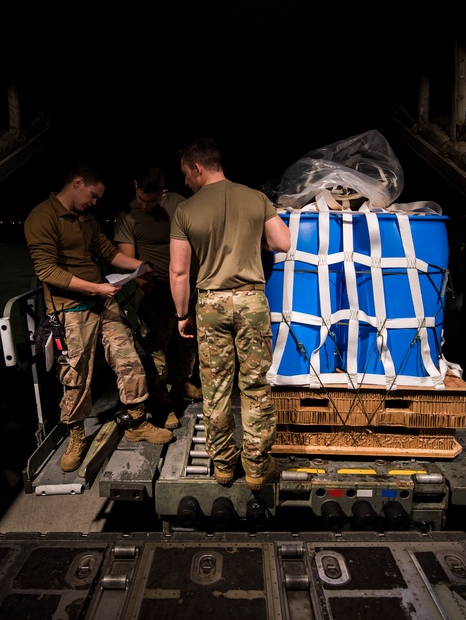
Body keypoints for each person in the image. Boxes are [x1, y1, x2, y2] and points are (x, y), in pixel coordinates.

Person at [24, 164, 174, 473]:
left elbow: (109, 253)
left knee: (129, 359)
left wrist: (143, 267)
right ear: (77, 183)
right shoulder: (42, 218)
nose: (95, 202)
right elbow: (47, 271)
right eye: (93, 195)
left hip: (103, 302)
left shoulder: (87, 219)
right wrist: (96, 287)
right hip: (69, 310)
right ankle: (77, 437)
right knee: (75, 376)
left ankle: (136, 421)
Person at [168, 138, 291, 491]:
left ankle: (224, 464)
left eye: (185, 174)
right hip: (252, 302)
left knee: (216, 388)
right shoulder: (255, 197)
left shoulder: (186, 211)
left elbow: (178, 273)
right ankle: (255, 467)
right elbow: (283, 242)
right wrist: (256, 239)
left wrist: (181, 314)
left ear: (198, 168)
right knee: (255, 386)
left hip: (210, 304)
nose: (185, 182)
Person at [114, 166, 202, 430]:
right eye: (141, 198)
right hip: (155, 290)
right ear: (135, 186)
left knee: (186, 343)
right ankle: (162, 405)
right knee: (155, 351)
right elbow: (127, 261)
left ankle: (181, 383)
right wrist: (146, 285)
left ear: (163, 193)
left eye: (151, 201)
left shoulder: (180, 205)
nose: (144, 204)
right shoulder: (128, 216)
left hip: (187, 288)